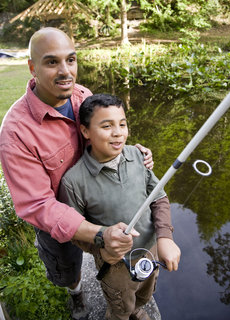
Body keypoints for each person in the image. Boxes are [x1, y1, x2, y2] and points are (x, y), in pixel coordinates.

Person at [0, 28, 154, 320]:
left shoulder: (82, 95)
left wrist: (130, 152)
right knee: (67, 267)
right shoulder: (15, 133)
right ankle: (76, 294)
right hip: (60, 225)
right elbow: (37, 205)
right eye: (51, 62)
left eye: (70, 60)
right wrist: (99, 234)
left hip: (98, 204)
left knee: (119, 260)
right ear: (32, 67)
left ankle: (125, 302)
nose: (65, 71)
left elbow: (102, 133)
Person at [58, 93, 181, 320]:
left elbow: (159, 198)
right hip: (115, 264)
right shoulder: (73, 181)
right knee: (120, 304)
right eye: (107, 126)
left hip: (150, 250)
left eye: (122, 124)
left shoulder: (138, 155)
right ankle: (122, 313)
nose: (118, 132)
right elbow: (75, 231)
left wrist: (165, 236)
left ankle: (137, 308)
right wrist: (101, 249)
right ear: (85, 131)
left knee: (145, 291)